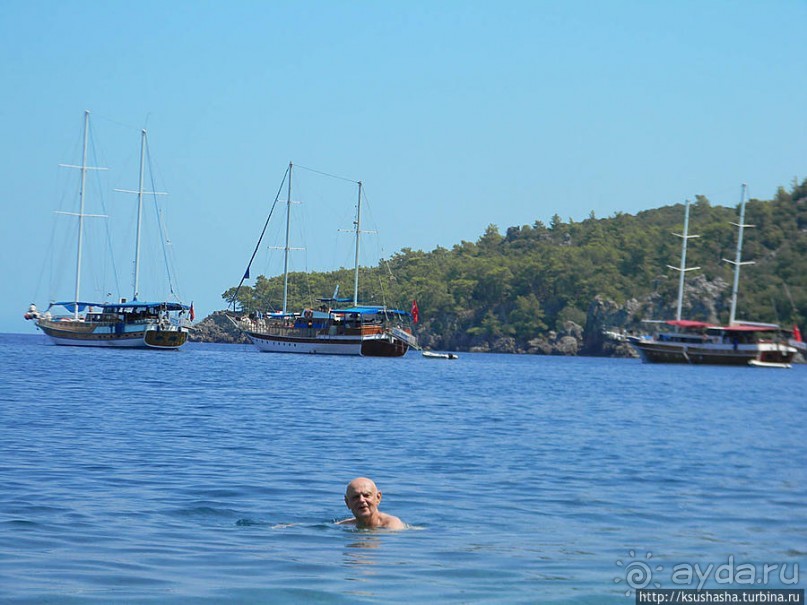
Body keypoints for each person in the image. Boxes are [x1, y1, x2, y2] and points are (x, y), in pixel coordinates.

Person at [336, 477, 406, 530]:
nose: (361, 500)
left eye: (366, 495)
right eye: (356, 497)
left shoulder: (393, 526)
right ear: (347, 502)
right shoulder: (343, 525)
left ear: (378, 498)